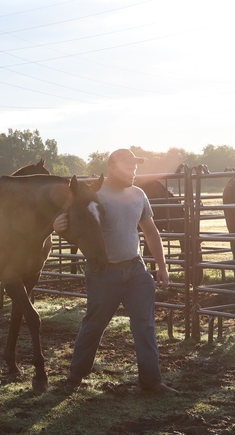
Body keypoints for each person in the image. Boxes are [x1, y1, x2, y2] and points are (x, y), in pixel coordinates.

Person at [53, 148, 177, 395]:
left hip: (136, 269)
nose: (133, 172)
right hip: (103, 272)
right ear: (111, 167)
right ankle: (76, 374)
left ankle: (152, 381)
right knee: (95, 322)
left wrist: (162, 266)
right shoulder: (93, 194)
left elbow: (150, 231)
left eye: (135, 167)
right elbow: (71, 222)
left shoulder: (138, 194)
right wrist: (57, 226)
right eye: (127, 167)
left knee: (145, 325)